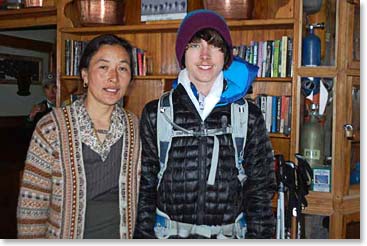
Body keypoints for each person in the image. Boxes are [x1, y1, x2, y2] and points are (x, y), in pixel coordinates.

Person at [134, 9, 276, 239]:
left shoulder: (247, 115)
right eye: (195, 45)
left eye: (215, 46)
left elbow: (260, 190)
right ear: (182, 53)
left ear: (226, 55)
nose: (205, 56)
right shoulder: (157, 113)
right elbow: (145, 188)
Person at [17, 34, 141, 239]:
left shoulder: (134, 126)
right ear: (84, 75)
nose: (114, 77)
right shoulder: (51, 127)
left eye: (122, 68)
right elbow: (32, 207)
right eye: (103, 67)